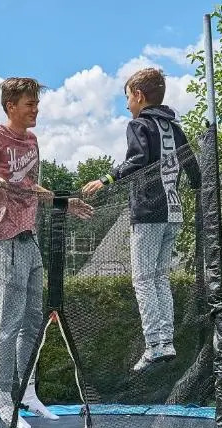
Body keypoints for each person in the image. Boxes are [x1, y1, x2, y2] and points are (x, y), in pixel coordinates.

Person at [0, 77, 90, 428]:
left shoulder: (31, 141)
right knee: (10, 323)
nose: (36, 110)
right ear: (11, 106)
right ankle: (4, 399)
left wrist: (64, 202)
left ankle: (28, 393)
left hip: (28, 240)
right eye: (30, 104)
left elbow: (31, 187)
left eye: (37, 104)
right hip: (2, 240)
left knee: (33, 323)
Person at [82, 67, 201, 371]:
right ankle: (167, 341)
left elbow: (137, 160)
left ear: (138, 95)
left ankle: (153, 346)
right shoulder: (174, 128)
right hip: (174, 212)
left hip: (148, 213)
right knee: (160, 278)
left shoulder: (139, 125)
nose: (126, 105)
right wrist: (199, 188)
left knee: (143, 279)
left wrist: (106, 179)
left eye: (127, 98)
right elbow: (192, 166)